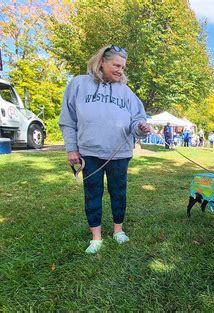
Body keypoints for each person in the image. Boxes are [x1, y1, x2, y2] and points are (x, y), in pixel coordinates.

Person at [59, 44, 151, 253]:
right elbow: (68, 119)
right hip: (89, 153)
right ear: (101, 61)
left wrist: (141, 127)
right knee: (92, 193)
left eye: (123, 67)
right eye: (116, 65)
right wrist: (71, 149)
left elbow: (137, 120)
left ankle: (118, 230)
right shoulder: (78, 84)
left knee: (119, 192)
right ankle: (96, 237)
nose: (120, 70)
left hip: (120, 153)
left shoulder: (126, 92)